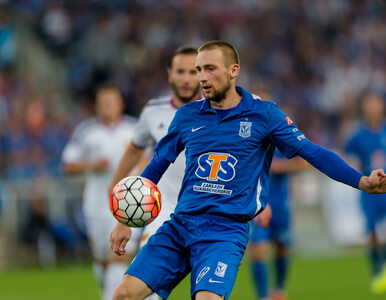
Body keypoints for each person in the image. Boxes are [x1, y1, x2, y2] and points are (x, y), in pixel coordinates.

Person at [110, 40, 386, 300]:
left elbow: (312, 152)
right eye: (198, 70)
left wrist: (361, 181)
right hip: (180, 224)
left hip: (224, 230)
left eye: (209, 69)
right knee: (123, 294)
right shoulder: (186, 116)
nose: (202, 78)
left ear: (233, 71)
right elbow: (157, 165)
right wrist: (125, 220)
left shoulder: (264, 114)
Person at [108, 46, 201, 300]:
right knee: (144, 291)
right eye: (180, 71)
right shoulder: (153, 112)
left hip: (204, 213)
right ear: (170, 74)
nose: (185, 78)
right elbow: (134, 150)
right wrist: (116, 185)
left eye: (193, 72)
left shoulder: (215, 114)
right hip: (160, 212)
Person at [62, 84, 143, 300]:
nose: (108, 106)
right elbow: (68, 164)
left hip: (129, 203)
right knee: (102, 259)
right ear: (97, 106)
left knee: (120, 255)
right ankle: (108, 288)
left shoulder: (135, 129)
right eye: (103, 103)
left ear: (121, 104)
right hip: (97, 204)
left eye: (112, 102)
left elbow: (149, 158)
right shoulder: (86, 131)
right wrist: (92, 165)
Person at [250, 149, 309, 300]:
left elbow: (305, 162)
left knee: (282, 248)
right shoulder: (254, 138)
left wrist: (279, 166)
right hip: (258, 205)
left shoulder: (282, 139)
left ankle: (279, 290)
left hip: (281, 206)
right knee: (258, 249)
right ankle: (263, 296)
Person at [345, 92, 386, 293]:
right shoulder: (358, 135)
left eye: (375, 104)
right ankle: (377, 270)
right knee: (372, 233)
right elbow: (347, 155)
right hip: (370, 191)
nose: (373, 108)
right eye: (369, 104)